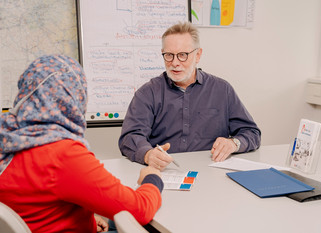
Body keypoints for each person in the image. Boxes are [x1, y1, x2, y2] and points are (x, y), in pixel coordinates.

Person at [0, 55, 163, 233]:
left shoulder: (7, 136)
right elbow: (140, 210)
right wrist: (152, 179)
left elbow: (36, 201)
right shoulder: (61, 154)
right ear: (73, 98)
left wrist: (88, 214)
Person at [119, 22, 261, 170]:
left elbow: (252, 133)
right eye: (169, 55)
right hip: (165, 171)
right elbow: (129, 138)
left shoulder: (222, 89)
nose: (175, 63)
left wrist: (233, 144)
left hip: (211, 172)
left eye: (182, 55)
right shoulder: (148, 93)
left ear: (198, 55)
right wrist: (148, 154)